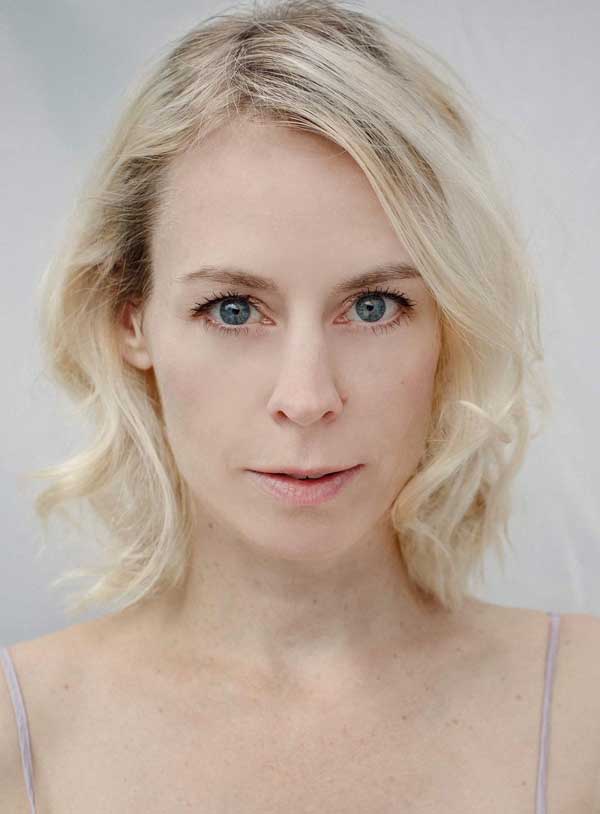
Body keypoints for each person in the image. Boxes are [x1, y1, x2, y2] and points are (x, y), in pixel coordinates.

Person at [2, 0, 599, 811]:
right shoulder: (21, 740)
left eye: (374, 306)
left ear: (450, 321)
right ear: (129, 320)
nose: (309, 398)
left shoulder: (585, 716)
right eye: (234, 310)